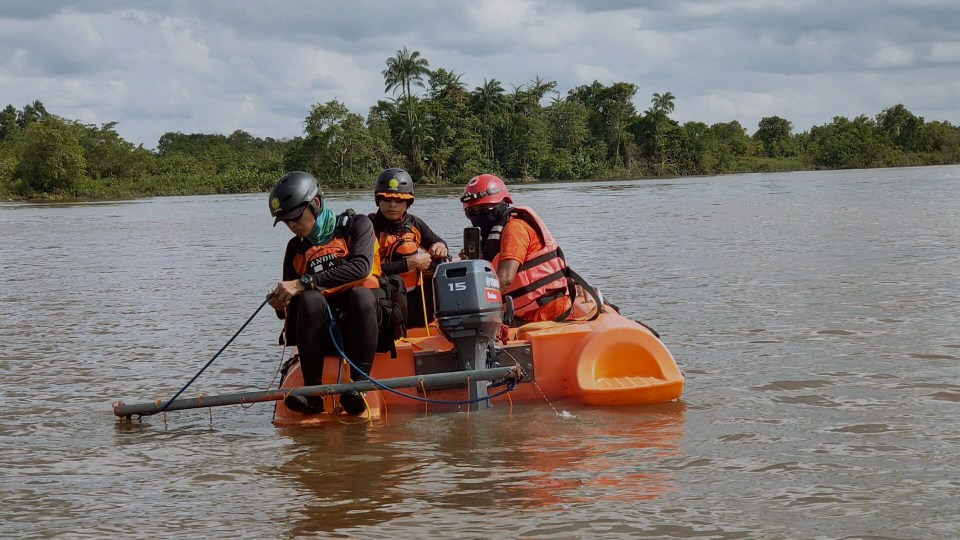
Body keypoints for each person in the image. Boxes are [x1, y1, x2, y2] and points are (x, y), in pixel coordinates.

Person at [267, 171, 379, 415]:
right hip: (319, 332)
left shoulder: (358, 225)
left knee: (362, 295)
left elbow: (361, 267)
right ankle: (314, 394)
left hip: (360, 326)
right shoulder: (295, 247)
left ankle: (359, 386)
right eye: (287, 222)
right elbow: (291, 302)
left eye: (296, 217)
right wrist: (280, 305)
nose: (293, 225)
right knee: (308, 299)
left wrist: (305, 281)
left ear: (316, 204)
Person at [460, 174, 573, 324]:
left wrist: (472, 308)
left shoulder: (514, 229)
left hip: (543, 312)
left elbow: (505, 279)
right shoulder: (493, 237)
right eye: (471, 213)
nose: (476, 218)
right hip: (524, 311)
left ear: (501, 204)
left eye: (483, 211)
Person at [368, 168, 449, 328]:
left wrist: (440, 246)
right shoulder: (368, 227)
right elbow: (365, 269)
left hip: (415, 298)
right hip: (384, 297)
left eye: (399, 200)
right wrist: (408, 264)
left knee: (441, 269)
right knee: (394, 283)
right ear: (378, 200)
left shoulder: (415, 224)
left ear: (408, 202)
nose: (393, 205)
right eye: (387, 199)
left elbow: (437, 241)